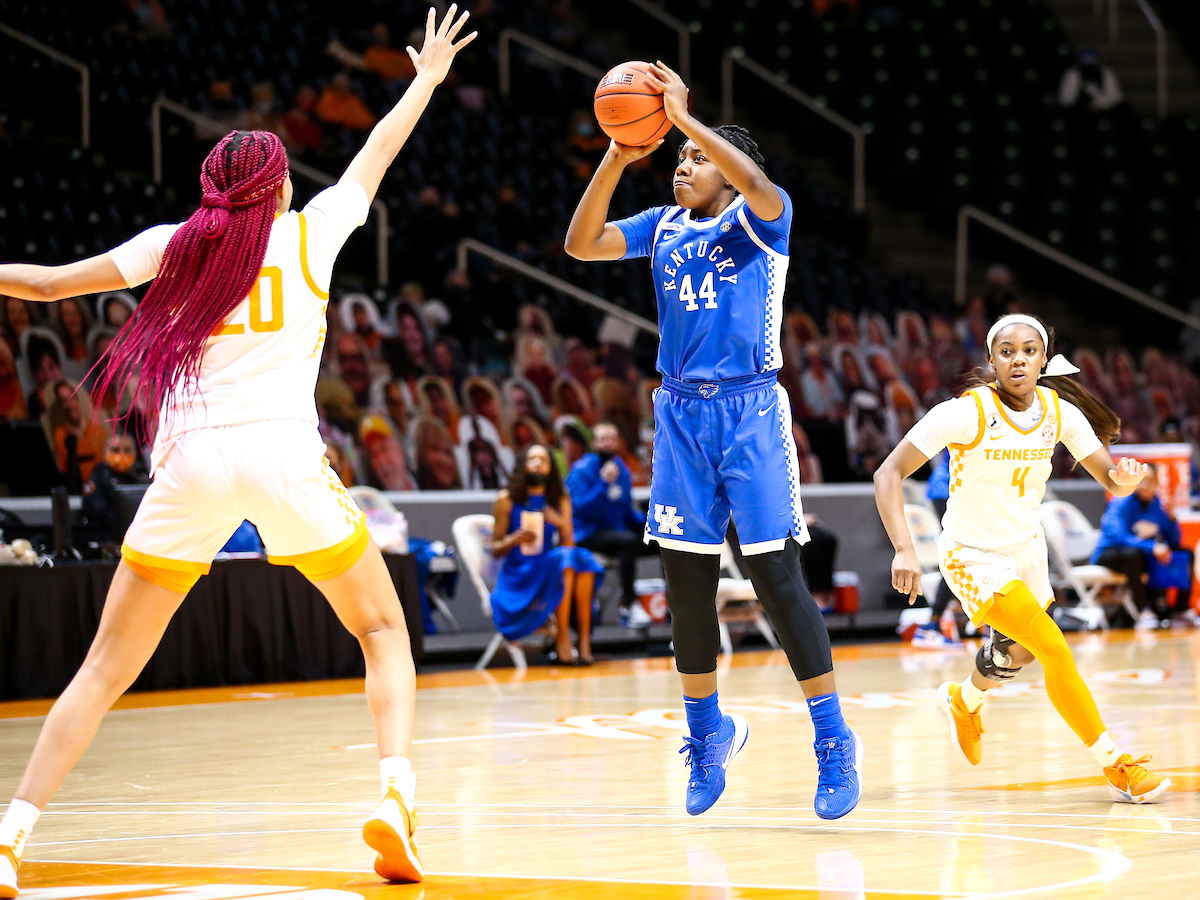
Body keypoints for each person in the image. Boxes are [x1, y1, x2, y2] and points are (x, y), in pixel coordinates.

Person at [0, 8, 476, 894]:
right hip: (283, 458)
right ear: (281, 188)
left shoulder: (172, 247)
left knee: (105, 667)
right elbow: (378, 147)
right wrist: (426, 79)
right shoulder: (312, 232)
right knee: (381, 629)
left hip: (186, 465)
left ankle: (10, 837)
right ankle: (397, 800)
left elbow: (50, 284)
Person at [565, 61, 861, 820]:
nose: (682, 168)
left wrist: (688, 120)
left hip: (751, 411)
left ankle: (832, 740)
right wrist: (616, 153)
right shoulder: (661, 228)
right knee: (686, 593)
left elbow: (755, 183)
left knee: (775, 578)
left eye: (695, 160)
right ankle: (709, 733)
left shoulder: (765, 218)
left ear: (731, 173)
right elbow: (581, 244)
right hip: (680, 419)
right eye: (679, 158)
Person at [873, 313, 1170, 803]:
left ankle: (964, 698)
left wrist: (1127, 480)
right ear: (992, 360)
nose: (1018, 359)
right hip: (972, 556)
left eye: (1029, 350)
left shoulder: (1060, 414)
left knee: (1022, 651)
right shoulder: (965, 413)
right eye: (1007, 351)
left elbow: (1110, 480)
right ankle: (1117, 765)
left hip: (1025, 550)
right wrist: (904, 548)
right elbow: (889, 475)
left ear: (1043, 359)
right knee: (1054, 646)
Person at [490, 444, 605, 665]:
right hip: (519, 572)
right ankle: (562, 637)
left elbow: (569, 544)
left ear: (551, 468)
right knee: (566, 559)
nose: (537, 464)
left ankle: (584, 641)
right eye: (532, 459)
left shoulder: (559, 497)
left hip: (547, 566)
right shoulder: (507, 498)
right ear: (523, 464)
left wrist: (560, 522)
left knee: (582, 559)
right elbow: (495, 549)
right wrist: (513, 539)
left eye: (543, 460)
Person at [566, 421, 656, 619]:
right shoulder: (581, 470)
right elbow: (580, 509)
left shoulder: (621, 470)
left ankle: (672, 603)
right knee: (627, 541)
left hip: (617, 530)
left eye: (611, 439)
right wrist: (603, 484)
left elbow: (625, 511)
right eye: (602, 439)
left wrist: (648, 524)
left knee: (662, 541)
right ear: (594, 443)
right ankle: (629, 603)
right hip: (588, 533)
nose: (607, 443)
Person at [1092, 463, 1191, 628]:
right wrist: (1151, 547)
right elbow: (1119, 536)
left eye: (1150, 481)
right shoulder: (1120, 502)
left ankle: (1180, 611)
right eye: (1141, 481)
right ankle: (1143, 610)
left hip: (1139, 554)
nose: (1145, 485)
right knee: (1133, 554)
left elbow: (1174, 541)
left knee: (1185, 553)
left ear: (1156, 484)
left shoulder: (1158, 505)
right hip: (1109, 553)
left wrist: (1172, 518)